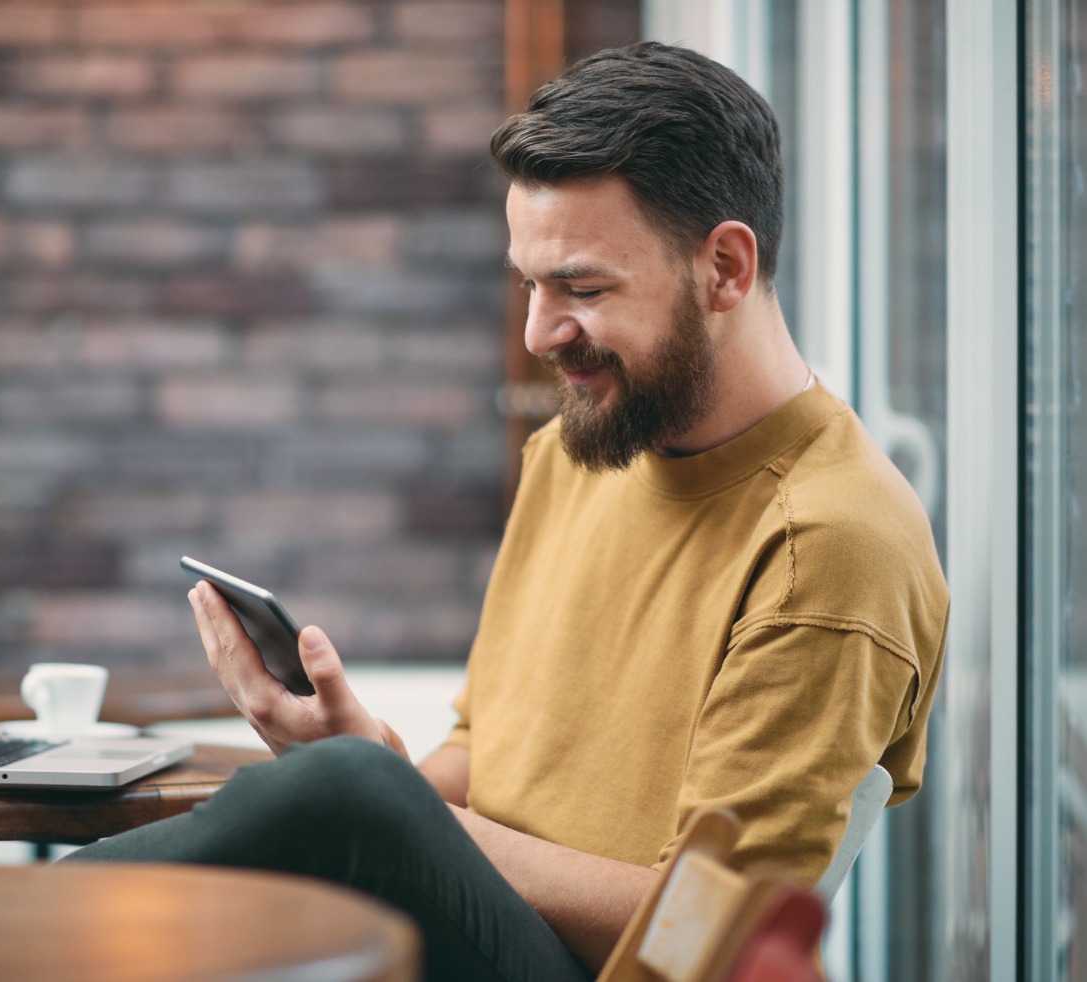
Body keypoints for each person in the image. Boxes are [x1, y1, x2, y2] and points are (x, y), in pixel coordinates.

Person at [69, 41, 947, 982]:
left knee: (339, 801)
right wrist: (371, 766)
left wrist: (391, 808)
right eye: (528, 284)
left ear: (724, 268)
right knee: (328, 800)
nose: (537, 333)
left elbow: (707, 938)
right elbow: (484, 755)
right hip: (474, 937)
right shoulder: (580, 450)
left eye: (582, 288)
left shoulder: (827, 546)